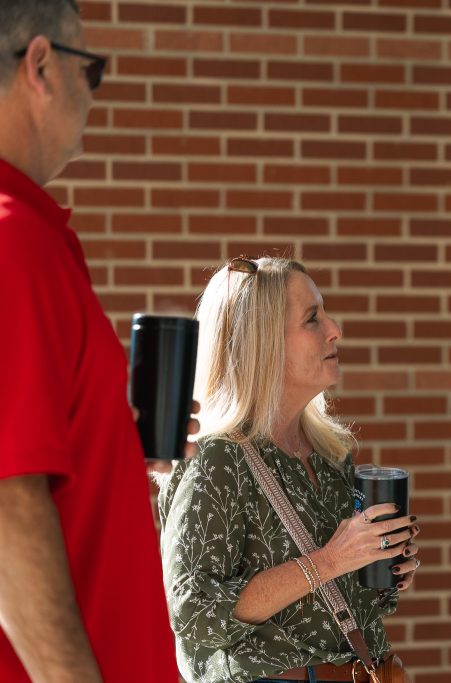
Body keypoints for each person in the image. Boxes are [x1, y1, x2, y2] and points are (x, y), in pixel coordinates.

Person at [0, 1, 182, 680]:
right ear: (41, 65)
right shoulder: (13, 241)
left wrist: (108, 445)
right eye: (92, 70)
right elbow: (7, 507)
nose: (93, 94)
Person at [159, 256, 421, 683]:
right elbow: (194, 614)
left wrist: (382, 568)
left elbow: (337, 605)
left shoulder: (330, 456)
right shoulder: (218, 458)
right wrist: (330, 560)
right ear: (263, 344)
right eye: (312, 318)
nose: (334, 329)